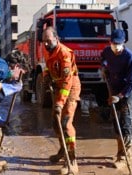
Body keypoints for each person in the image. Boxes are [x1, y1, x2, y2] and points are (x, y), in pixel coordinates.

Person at [42, 26, 81, 174]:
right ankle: (62, 149)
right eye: (44, 41)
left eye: (49, 40)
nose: (45, 44)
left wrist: (59, 102)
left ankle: (72, 159)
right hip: (58, 86)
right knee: (55, 123)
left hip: (70, 88)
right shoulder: (47, 50)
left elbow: (67, 81)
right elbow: (47, 66)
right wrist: (46, 78)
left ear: (56, 38)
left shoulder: (65, 53)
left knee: (65, 122)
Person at [101, 29, 132, 162]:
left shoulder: (131, 59)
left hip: (128, 92)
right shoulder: (107, 51)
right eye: (113, 43)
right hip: (114, 88)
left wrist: (120, 96)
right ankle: (120, 151)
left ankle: (126, 153)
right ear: (110, 42)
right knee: (115, 120)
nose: (115, 47)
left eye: (118, 44)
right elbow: (103, 59)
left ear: (124, 42)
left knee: (125, 122)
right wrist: (104, 67)